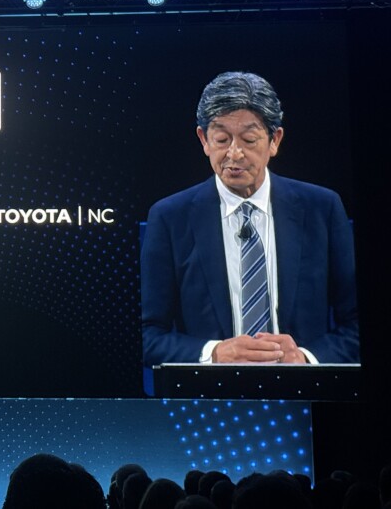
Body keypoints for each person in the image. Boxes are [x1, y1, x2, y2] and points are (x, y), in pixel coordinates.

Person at [141, 71, 360, 365]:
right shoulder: (169, 217)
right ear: (203, 140)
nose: (234, 154)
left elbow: (359, 325)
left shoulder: (323, 209)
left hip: (306, 398)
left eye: (249, 139)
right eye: (221, 139)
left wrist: (306, 359)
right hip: (209, 401)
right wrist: (213, 353)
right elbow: (146, 334)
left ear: (274, 140)